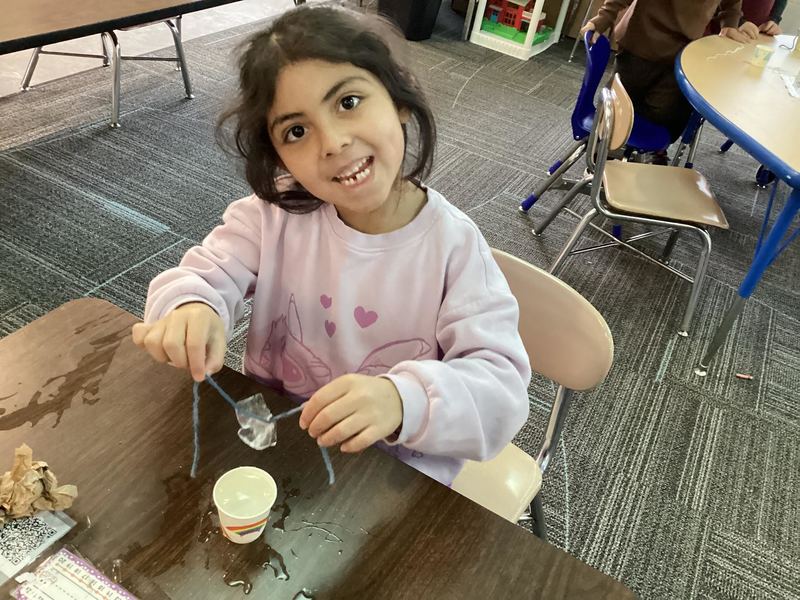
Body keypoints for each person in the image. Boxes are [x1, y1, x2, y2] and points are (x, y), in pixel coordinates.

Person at [130, 5, 531, 486]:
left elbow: (501, 392)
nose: (333, 142)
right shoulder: (274, 215)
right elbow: (203, 275)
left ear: (399, 98)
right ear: (278, 154)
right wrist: (191, 308)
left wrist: (403, 400)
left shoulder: (455, 249)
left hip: (392, 479)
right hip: (280, 447)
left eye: (348, 102)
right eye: (297, 131)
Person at [581, 0, 759, 144]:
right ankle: (601, 155)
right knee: (620, 109)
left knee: (663, 116)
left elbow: (732, 3)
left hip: (682, 50)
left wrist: (730, 23)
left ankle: (640, 157)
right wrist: (603, 18)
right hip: (641, 41)